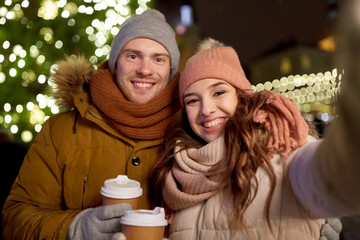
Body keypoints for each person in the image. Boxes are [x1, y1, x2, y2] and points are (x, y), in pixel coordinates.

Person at [149, 1, 360, 238]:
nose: (206, 109)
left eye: (219, 92)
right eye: (192, 101)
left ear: (241, 98)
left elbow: (338, 178)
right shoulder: (176, 177)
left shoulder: (280, 152)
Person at [1, 9, 180, 240]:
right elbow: (14, 219)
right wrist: (73, 227)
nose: (145, 70)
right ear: (116, 64)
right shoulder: (61, 131)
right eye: (132, 56)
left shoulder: (189, 132)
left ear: (170, 70)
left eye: (158, 59)